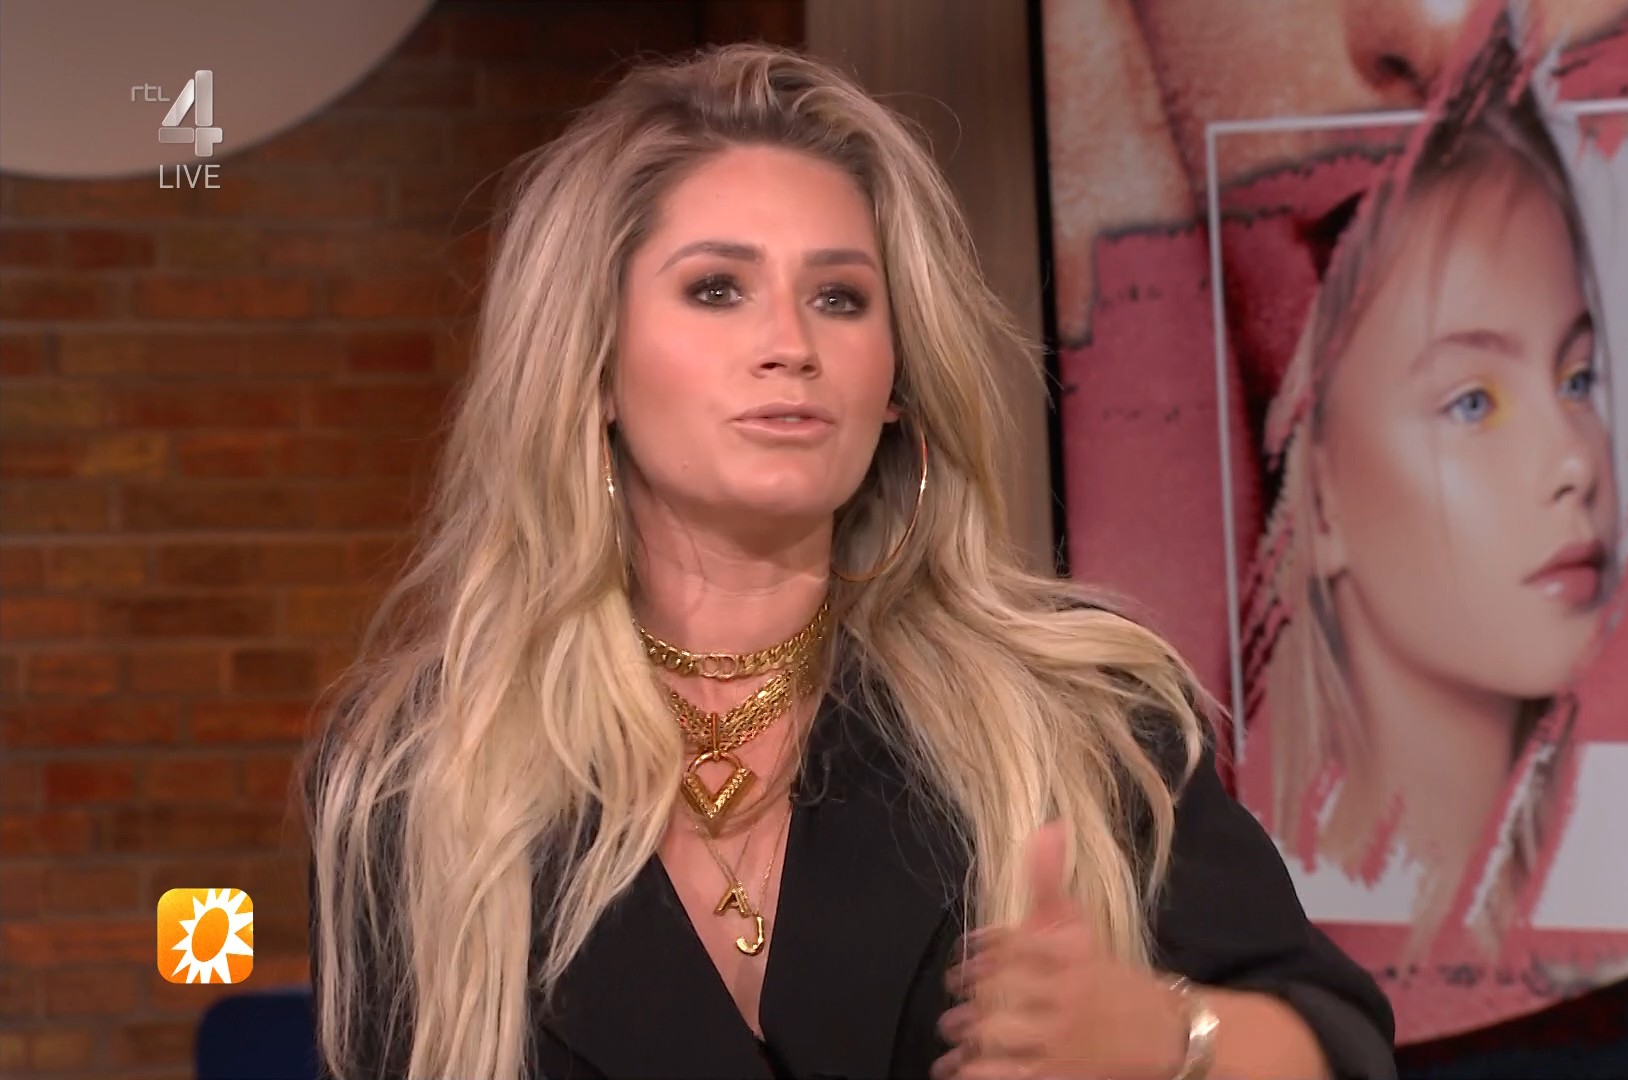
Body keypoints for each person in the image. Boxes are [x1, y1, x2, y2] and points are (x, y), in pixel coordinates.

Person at [302, 43, 1395, 1080]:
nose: (792, 344)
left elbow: (1341, 1047)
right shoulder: (419, 776)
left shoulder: (1082, 713)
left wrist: (1166, 1036)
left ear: (896, 385)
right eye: (717, 289)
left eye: (840, 297)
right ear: (591, 366)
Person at [1244, 26, 1619, 957]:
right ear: (1317, 505)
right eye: (1472, 402)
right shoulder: (1253, 909)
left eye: (1577, 378)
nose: (1575, 460)